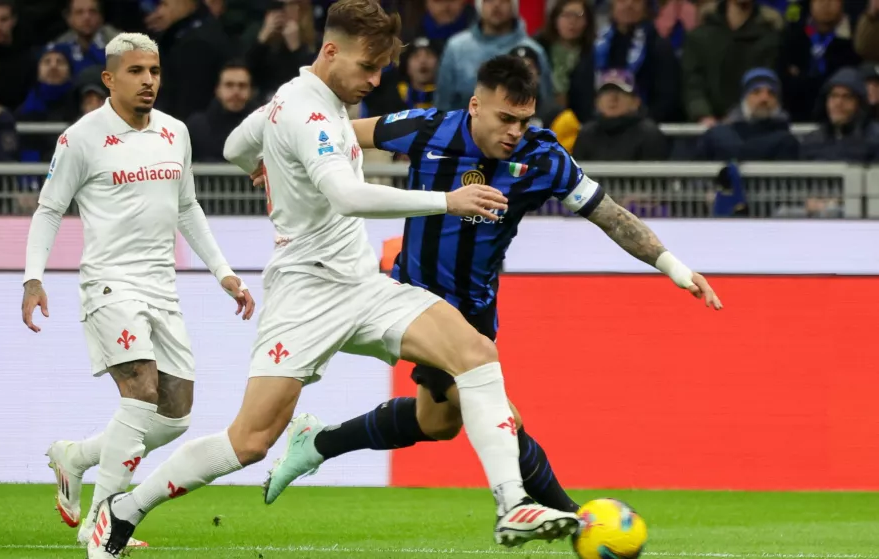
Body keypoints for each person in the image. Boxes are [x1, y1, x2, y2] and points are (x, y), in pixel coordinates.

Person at [86, 2, 582, 557]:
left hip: (362, 284)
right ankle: (123, 510)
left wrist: (262, 163)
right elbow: (346, 196)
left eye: (380, 69)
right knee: (250, 441)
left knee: (476, 353)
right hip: (305, 292)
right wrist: (447, 200)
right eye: (367, 67)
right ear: (330, 51)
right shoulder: (308, 113)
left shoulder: (292, 102)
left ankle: (511, 504)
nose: (375, 80)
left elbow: (233, 146)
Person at [261, 54, 722, 509]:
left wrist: (674, 267)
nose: (515, 131)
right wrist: (278, 158)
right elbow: (338, 134)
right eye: (505, 118)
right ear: (475, 106)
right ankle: (575, 518)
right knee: (503, 417)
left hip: (477, 308)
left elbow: (611, 216)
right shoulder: (427, 128)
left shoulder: (544, 156)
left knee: (437, 423)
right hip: (415, 304)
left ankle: (317, 442)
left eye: (523, 120)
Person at [20, 32, 255, 549]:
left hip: (161, 287)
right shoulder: (81, 138)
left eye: (154, 71)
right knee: (142, 392)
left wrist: (224, 272)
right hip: (109, 283)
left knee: (174, 416)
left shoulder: (175, 132)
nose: (148, 80)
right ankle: (102, 524)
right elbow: (49, 209)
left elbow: (188, 207)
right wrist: (33, 278)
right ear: (109, 78)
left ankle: (75, 457)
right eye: (136, 71)